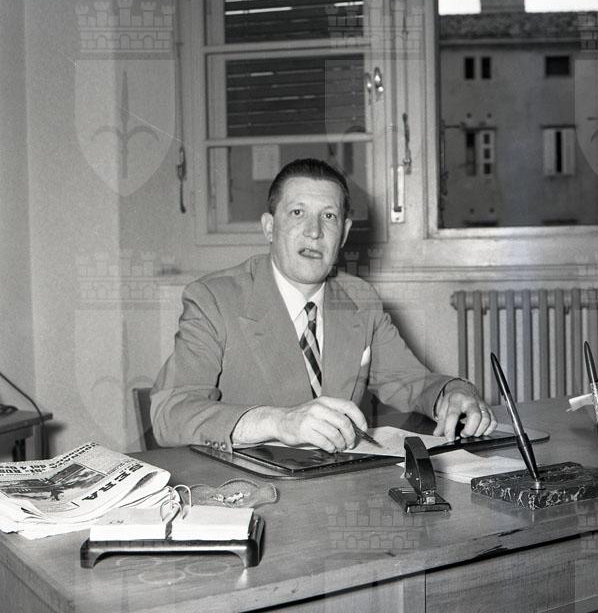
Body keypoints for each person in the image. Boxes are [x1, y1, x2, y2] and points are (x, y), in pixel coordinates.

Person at [151, 158, 497, 453]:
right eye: (297, 213)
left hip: (336, 486)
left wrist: (453, 393)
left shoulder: (360, 299)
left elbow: (410, 381)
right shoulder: (213, 299)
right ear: (269, 227)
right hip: (247, 486)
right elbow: (171, 414)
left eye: (328, 216)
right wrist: (278, 422)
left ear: (343, 233)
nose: (314, 232)